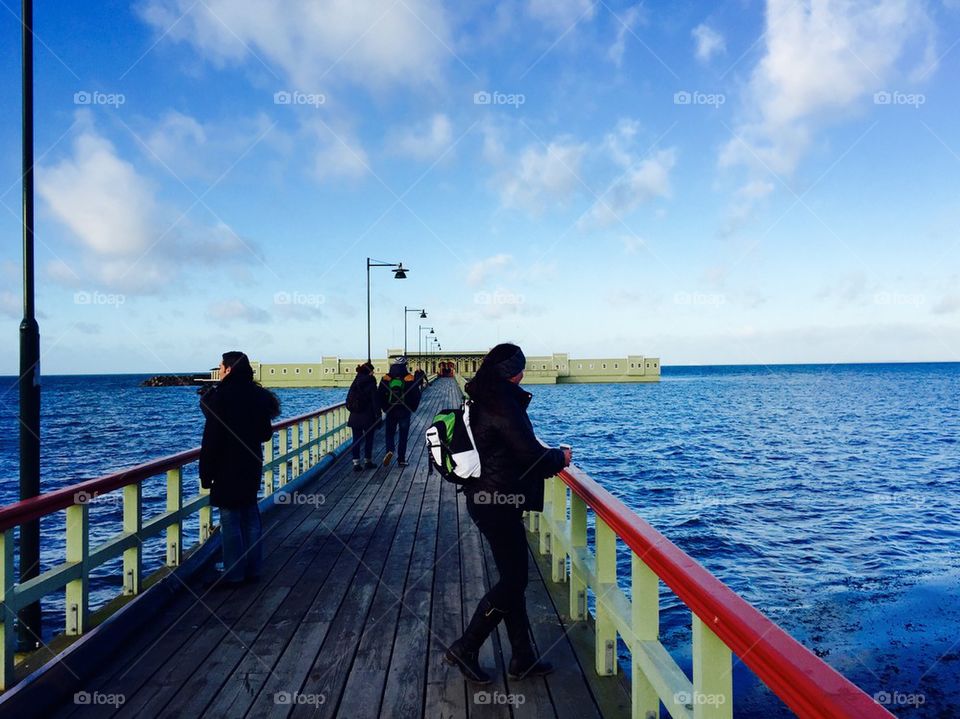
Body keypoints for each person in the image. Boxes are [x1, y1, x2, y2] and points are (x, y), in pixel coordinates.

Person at [444, 343, 572, 683]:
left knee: (511, 579)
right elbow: (530, 455)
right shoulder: (503, 402)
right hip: (496, 502)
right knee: (513, 580)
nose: (524, 373)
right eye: (522, 367)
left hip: (488, 498)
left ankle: (522, 657)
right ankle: (466, 647)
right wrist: (561, 458)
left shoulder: (484, 395)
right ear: (513, 371)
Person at [200, 351, 280, 587]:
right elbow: (265, 433)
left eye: (221, 366)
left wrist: (206, 473)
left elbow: (212, 438)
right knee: (250, 515)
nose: (219, 369)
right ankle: (253, 569)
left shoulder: (220, 396)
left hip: (226, 465)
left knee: (230, 518)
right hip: (251, 462)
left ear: (229, 369)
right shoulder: (257, 395)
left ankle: (233, 573)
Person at [377, 356, 421, 467]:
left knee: (389, 433)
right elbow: (417, 394)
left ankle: (390, 450)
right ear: (405, 366)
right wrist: (412, 408)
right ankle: (401, 460)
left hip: (391, 411)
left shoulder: (386, 378)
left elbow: (380, 395)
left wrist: (385, 408)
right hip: (404, 411)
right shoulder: (410, 378)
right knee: (403, 435)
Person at [346, 362, 380, 471]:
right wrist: (378, 415)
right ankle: (367, 461)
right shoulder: (371, 382)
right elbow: (375, 401)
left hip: (355, 416)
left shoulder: (355, 382)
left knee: (356, 439)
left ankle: (356, 463)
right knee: (369, 439)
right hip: (368, 416)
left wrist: (354, 410)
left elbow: (348, 400)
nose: (373, 373)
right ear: (369, 372)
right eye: (372, 371)